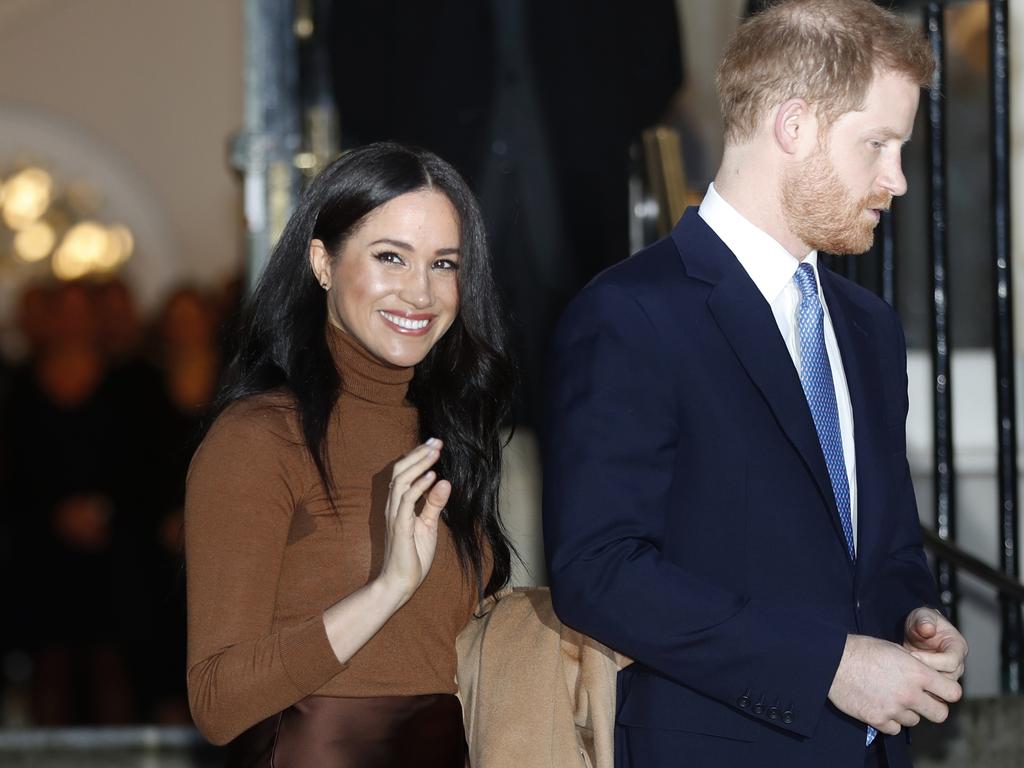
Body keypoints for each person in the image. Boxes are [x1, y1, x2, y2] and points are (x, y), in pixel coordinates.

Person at [542, 2, 968, 767]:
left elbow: (890, 546)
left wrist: (915, 619)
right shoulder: (630, 312)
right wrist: (829, 665)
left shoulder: (868, 327)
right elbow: (598, 573)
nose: (897, 179)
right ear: (794, 126)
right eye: (878, 143)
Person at [185, 142, 515, 766]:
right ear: (323, 263)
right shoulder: (259, 438)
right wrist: (388, 587)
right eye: (391, 257)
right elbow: (217, 702)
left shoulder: (451, 434)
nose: (421, 292)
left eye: (444, 263)